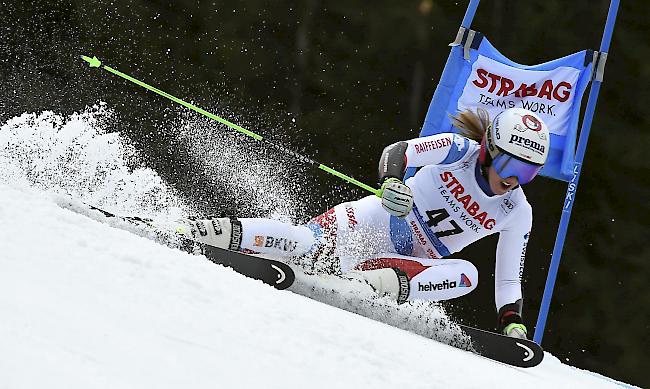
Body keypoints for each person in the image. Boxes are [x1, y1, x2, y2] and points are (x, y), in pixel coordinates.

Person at [175, 107, 549, 339]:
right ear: (489, 151)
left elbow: (507, 279)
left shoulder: (517, 210)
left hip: (407, 265)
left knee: (469, 275)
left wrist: (511, 321)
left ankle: (357, 286)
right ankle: (202, 231)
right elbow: (400, 152)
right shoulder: (459, 151)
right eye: (509, 165)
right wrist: (391, 182)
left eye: (528, 172)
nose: (514, 179)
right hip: (376, 222)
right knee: (302, 242)